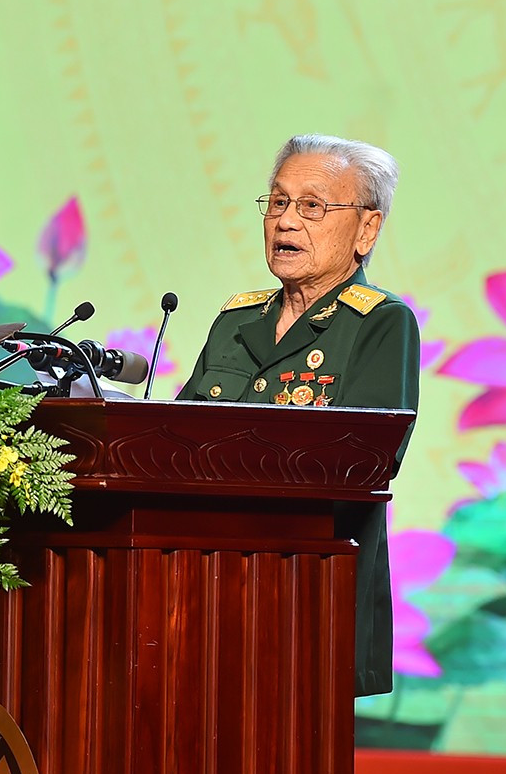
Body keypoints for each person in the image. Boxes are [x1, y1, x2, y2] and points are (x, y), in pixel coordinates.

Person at [177, 134, 421, 699]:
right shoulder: (236, 321)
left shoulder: (380, 324)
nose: (286, 222)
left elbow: (366, 461)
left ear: (367, 229)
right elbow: (177, 442)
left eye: (312, 206)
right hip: (207, 589)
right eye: (278, 202)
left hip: (310, 596)